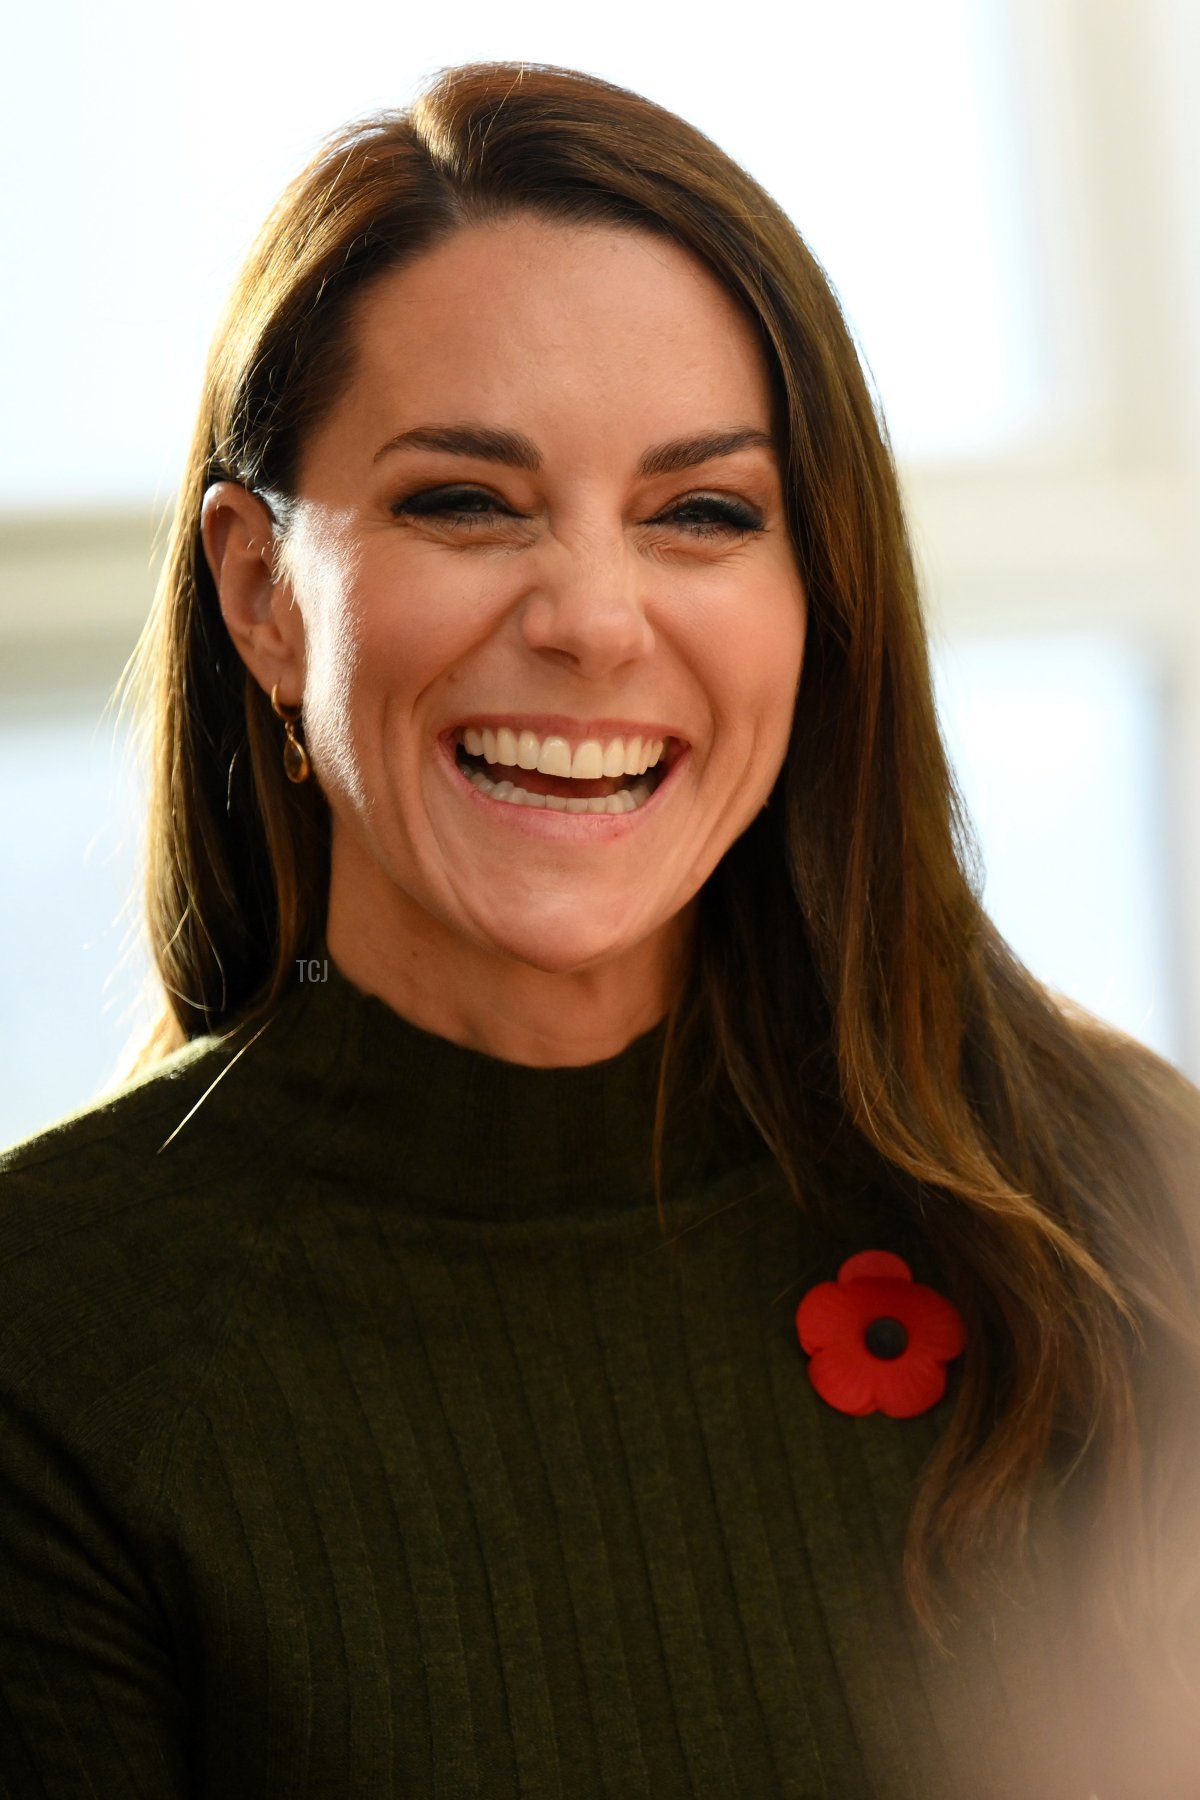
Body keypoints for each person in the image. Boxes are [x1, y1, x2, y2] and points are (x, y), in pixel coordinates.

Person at [1, 58, 1198, 1799]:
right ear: (263, 594)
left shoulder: (1122, 1198)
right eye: (465, 501)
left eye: (703, 513)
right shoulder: (54, 1342)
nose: (593, 622)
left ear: (818, 595)